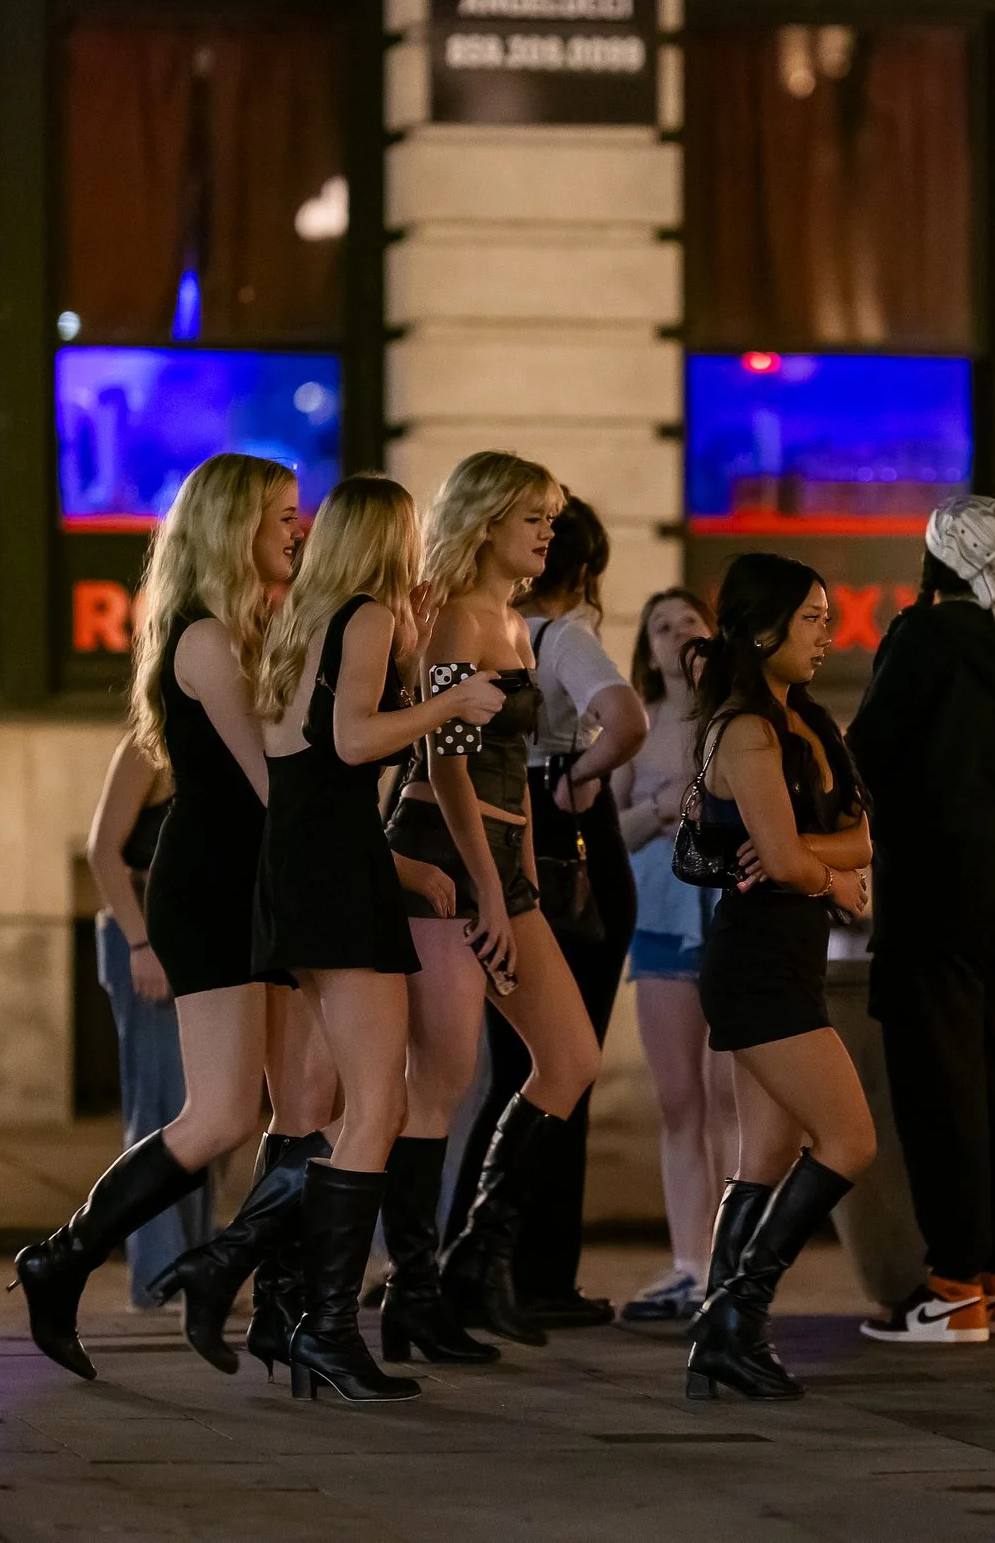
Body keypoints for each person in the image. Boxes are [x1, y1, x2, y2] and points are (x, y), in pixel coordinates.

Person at [13, 455, 339, 1383]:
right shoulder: (203, 642)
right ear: (235, 528)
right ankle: (63, 1257)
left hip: (260, 884)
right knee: (224, 1110)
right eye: (281, 517)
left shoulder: (250, 629)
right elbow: (268, 782)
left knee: (308, 1101)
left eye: (299, 516)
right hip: (212, 883)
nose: (298, 531)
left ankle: (271, 1299)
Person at [252, 474, 506, 1402]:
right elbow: (354, 742)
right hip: (334, 875)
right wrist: (451, 703)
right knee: (377, 1107)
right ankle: (320, 1321)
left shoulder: (304, 618)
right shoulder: (360, 618)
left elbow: (310, 761)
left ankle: (283, 1302)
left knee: (325, 1104)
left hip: (309, 866)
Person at [383, 453, 604, 1358]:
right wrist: (486, 884)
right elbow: (444, 763)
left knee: (571, 1056)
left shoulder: (514, 621)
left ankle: (480, 1250)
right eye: (532, 518)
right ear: (483, 522)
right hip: (442, 854)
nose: (548, 533)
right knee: (440, 1078)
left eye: (552, 517)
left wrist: (521, 873)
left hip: (501, 861)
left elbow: (512, 771)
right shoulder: (459, 620)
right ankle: (412, 1290)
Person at [848, 497, 995, 1343]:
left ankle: (952, 1287)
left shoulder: (922, 640)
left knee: (942, 1083)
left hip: (940, 878)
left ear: (936, 562)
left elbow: (867, 757)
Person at [445, 495, 649, 1329]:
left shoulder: (513, 629)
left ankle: (484, 1257)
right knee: (550, 1068)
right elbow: (627, 718)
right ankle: (513, 1267)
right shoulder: (551, 632)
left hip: (530, 843)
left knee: (527, 1067)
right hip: (552, 844)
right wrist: (574, 777)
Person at [682, 552, 877, 1402]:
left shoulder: (813, 723)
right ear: (762, 630)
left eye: (828, 618)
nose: (826, 634)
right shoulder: (747, 730)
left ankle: (722, 1335)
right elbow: (805, 861)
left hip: (790, 954)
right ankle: (734, 1312)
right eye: (810, 619)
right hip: (756, 961)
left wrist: (817, 864)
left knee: (764, 1149)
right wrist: (828, 876)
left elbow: (862, 841)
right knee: (850, 1140)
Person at [612, 586, 738, 1322]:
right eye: (660, 626)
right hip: (660, 918)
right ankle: (689, 1262)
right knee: (679, 1097)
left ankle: (728, 1260)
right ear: (647, 647)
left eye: (689, 622)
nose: (676, 635)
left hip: (726, 919)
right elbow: (607, 827)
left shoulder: (734, 720)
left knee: (729, 1095)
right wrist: (663, 810)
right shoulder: (640, 724)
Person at [82, 737, 212, 1303]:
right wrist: (140, 944)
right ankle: (159, 1273)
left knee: (209, 1111)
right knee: (159, 1103)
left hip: (200, 933)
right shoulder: (149, 746)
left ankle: (191, 1263)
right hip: (147, 934)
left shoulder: (227, 737)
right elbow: (103, 852)